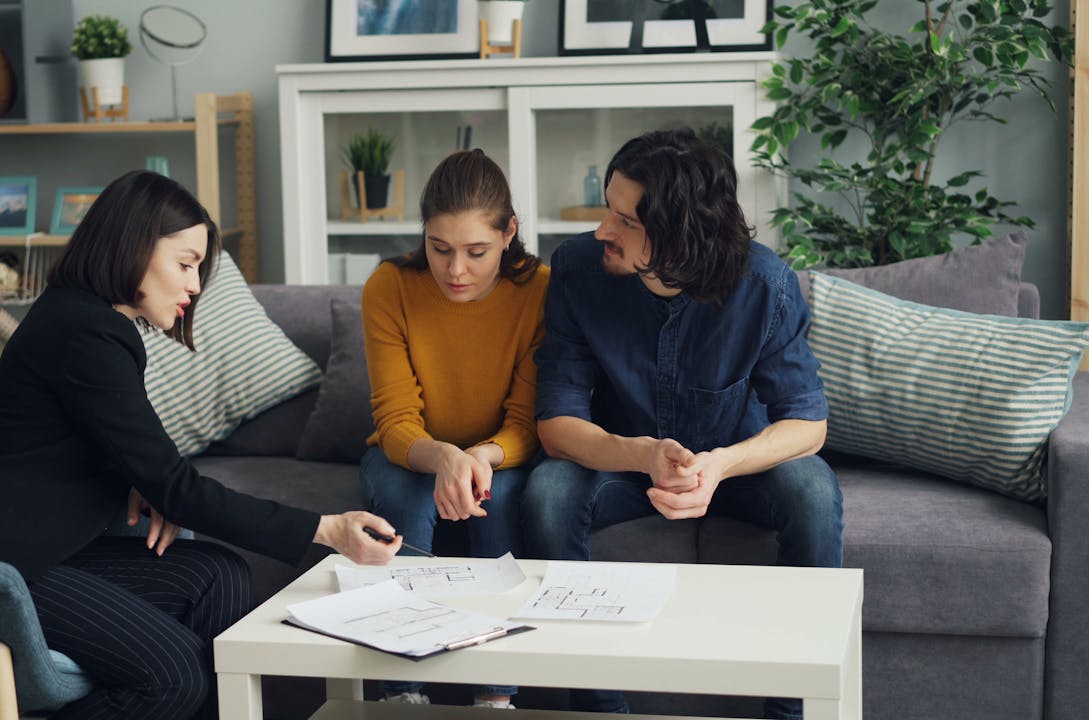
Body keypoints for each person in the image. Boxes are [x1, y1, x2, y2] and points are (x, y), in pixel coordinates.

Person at [0, 170, 401, 720]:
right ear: (135, 245)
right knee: (172, 677)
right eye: (185, 263)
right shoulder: (85, 332)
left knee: (219, 577)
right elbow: (173, 481)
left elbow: (93, 451)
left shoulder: (95, 324)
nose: (194, 285)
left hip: (38, 548)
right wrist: (325, 528)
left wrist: (134, 481)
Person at [523, 128, 843, 720]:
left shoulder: (764, 283)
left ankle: (792, 711)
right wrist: (642, 454)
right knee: (547, 491)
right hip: (626, 466)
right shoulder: (576, 270)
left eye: (624, 221)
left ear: (678, 237)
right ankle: (601, 708)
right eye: (607, 211)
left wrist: (720, 465)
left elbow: (807, 422)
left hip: (736, 468)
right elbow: (557, 422)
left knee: (813, 490)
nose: (602, 232)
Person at [360, 149, 549, 709]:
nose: (455, 270)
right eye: (439, 249)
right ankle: (404, 690)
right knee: (400, 492)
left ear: (509, 232)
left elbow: (528, 422)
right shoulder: (388, 286)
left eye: (476, 251)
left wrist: (478, 459)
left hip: (500, 456)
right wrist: (443, 456)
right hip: (408, 455)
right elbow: (395, 420)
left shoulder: (540, 289)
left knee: (501, 495)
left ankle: (495, 695)